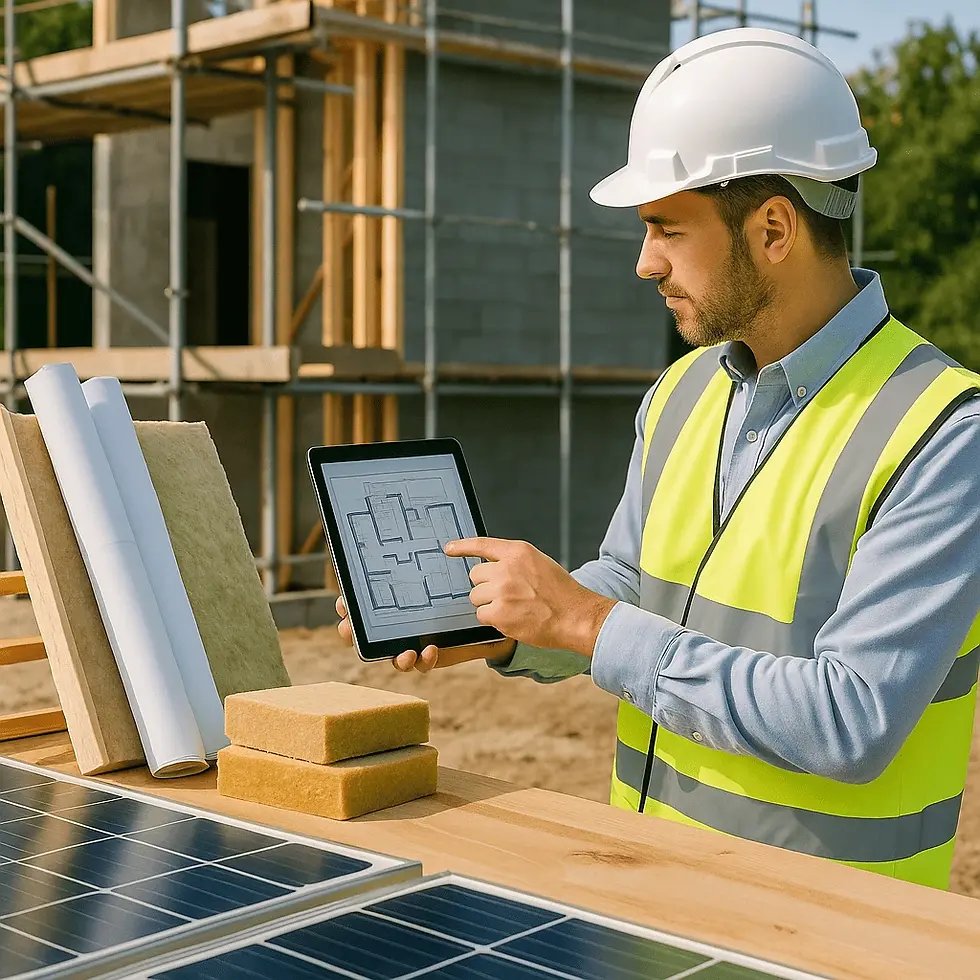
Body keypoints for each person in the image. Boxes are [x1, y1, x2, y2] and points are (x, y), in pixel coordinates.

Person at [335, 27, 980, 890]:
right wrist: (496, 626)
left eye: (667, 229)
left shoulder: (942, 431)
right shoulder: (680, 395)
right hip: (656, 903)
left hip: (828, 936)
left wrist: (584, 622)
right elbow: (637, 590)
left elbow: (852, 719)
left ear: (774, 228)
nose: (646, 263)